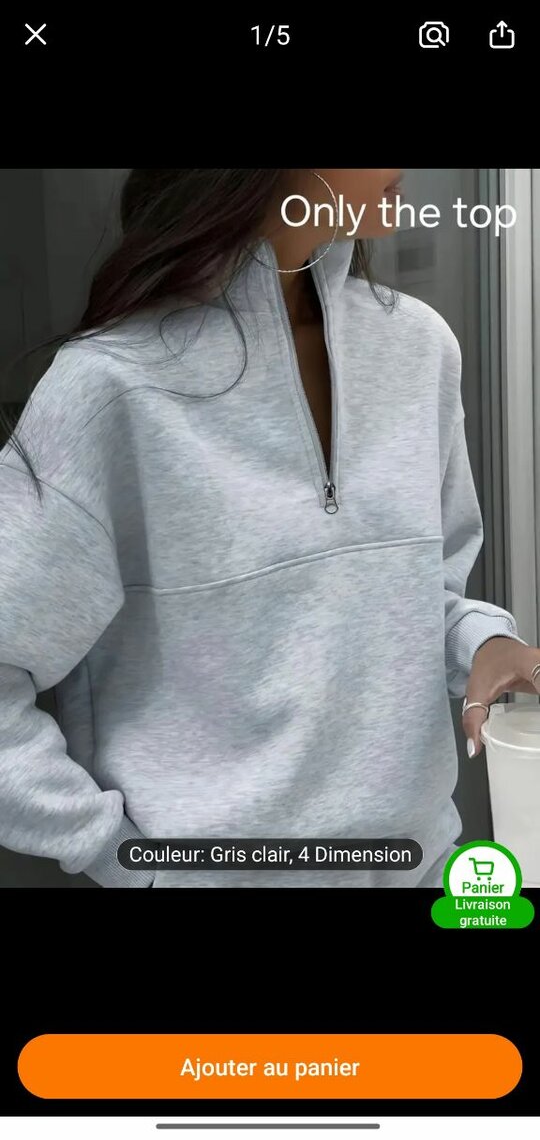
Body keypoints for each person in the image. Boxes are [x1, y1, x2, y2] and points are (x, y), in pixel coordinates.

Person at [0, 167, 538, 890]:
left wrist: (484, 642)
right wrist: (128, 861)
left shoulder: (418, 348)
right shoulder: (110, 388)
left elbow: (415, 595)